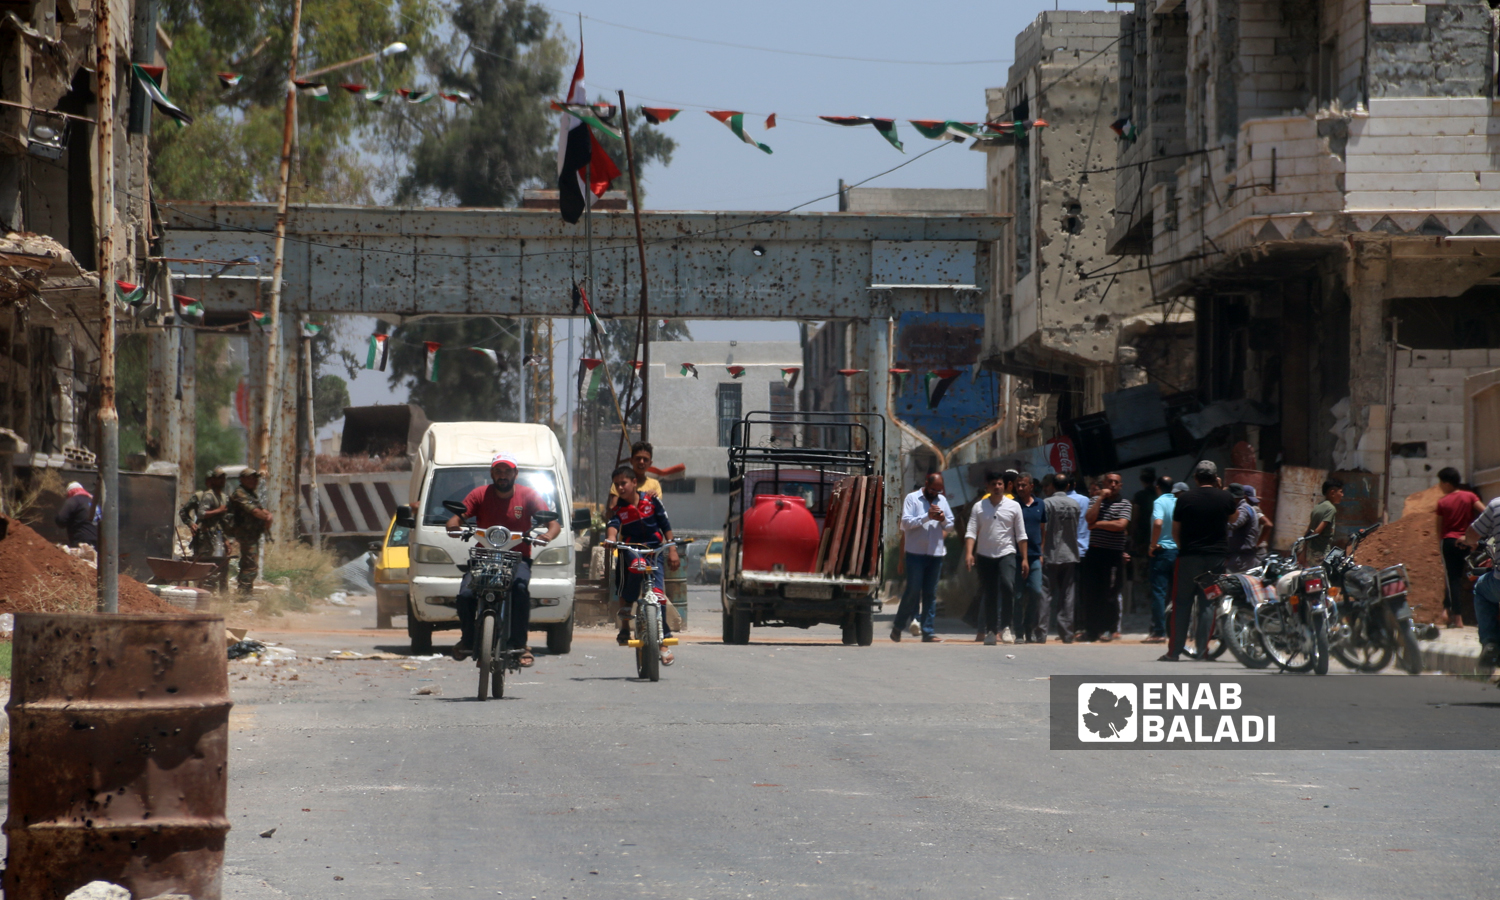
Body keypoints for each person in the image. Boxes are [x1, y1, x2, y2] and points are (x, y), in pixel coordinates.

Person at [446, 453, 561, 668]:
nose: (503, 475)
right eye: (498, 471)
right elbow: (456, 519)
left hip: (518, 559)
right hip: (484, 559)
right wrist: (454, 527)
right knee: (465, 594)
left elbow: (553, 524)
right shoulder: (480, 494)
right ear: (492, 474)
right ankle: (468, 640)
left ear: (515, 473)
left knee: (519, 590)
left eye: (507, 471)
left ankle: (520, 645)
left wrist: (547, 535)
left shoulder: (528, 495)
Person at [1160, 461, 1237, 662]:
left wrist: (1183, 547)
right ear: (1215, 478)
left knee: (1181, 603)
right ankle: (1202, 651)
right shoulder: (1226, 497)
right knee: (1208, 603)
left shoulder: (1184, 499)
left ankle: (1174, 652)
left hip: (1188, 557)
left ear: (1195, 478)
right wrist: (1220, 490)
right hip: (1216, 560)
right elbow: (1234, 518)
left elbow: (1175, 531)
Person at [605, 464, 680, 665]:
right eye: (617, 484)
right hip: (632, 549)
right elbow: (612, 527)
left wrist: (672, 549)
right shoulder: (619, 509)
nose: (620, 487)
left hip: (655, 551)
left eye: (624, 483)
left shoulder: (651, 500)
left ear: (634, 483)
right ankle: (626, 613)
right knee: (635, 566)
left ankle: (663, 643)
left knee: (658, 594)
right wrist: (611, 539)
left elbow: (665, 524)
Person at [963, 471, 1026, 646]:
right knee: (990, 593)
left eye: (1000, 484)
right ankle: (991, 631)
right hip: (984, 556)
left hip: (1007, 553)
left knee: (1007, 586)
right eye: (994, 484)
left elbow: (1021, 534)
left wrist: (1025, 558)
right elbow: (971, 531)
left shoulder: (1014, 506)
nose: (997, 487)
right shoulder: (979, 507)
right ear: (987, 487)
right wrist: (969, 553)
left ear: (1004, 486)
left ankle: (1005, 627)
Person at [894, 472, 954, 643]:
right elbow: (905, 523)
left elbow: (950, 525)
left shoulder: (942, 501)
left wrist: (942, 519)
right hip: (915, 554)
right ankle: (898, 626)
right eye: (933, 489)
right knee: (913, 591)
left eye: (939, 490)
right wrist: (927, 516)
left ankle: (928, 631)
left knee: (930, 593)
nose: (935, 493)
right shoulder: (912, 499)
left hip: (935, 554)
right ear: (926, 483)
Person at [1079, 473, 1131, 641]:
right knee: (1092, 593)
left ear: (1121, 485)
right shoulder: (1095, 501)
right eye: (1110, 482)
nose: (1113, 485)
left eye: (1117, 482)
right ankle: (1092, 630)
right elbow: (1089, 519)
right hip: (1095, 552)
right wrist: (1100, 498)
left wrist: (1099, 524)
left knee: (1110, 593)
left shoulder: (1125, 504)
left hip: (1113, 554)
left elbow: (1120, 525)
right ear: (1104, 484)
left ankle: (1109, 629)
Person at [1436, 467, 1484, 629]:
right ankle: (1455, 612)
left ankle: (1457, 618)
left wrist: (1439, 543)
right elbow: (1485, 513)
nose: (1440, 486)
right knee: (1470, 576)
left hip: (1449, 542)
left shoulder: (1443, 502)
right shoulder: (1469, 496)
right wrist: (1476, 534)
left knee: (1453, 579)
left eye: (1441, 483)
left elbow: (1439, 527)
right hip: (1467, 542)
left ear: (1447, 484)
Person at [1040, 473, 1082, 643]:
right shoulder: (1075, 504)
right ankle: (1067, 633)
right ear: (1067, 486)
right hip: (1070, 553)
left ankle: (1041, 632)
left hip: (1050, 553)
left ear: (1053, 485)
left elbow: (1043, 528)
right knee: (1067, 594)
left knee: (1045, 594)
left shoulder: (1046, 503)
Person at [1463, 496, 1500, 667]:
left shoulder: (1496, 505)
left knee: (1481, 589)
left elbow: (1472, 534)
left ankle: (1490, 642)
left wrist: (1468, 541)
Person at [179, 466, 230, 591]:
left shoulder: (223, 497)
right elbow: (185, 512)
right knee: (204, 564)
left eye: (223, 478)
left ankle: (221, 593)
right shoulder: (202, 496)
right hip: (205, 535)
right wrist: (191, 523)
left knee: (222, 564)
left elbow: (222, 521)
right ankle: (202, 590)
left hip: (217, 535)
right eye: (216, 479)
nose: (221, 481)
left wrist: (226, 538)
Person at [226, 469, 273, 600]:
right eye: (250, 478)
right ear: (242, 479)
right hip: (244, 533)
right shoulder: (240, 493)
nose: (254, 481)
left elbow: (262, 510)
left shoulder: (251, 494)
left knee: (249, 563)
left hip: (252, 533)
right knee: (250, 564)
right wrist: (267, 517)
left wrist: (267, 516)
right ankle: (244, 594)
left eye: (255, 478)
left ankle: (245, 591)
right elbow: (256, 512)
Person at [1144, 477, 1180, 643]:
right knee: (1177, 594)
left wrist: (1152, 545)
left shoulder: (1159, 501)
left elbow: (1158, 523)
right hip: (1177, 551)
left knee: (1159, 593)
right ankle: (1177, 631)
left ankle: (1159, 632)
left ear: (1157, 487)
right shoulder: (1178, 502)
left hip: (1162, 552)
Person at [1013, 472, 1046, 643]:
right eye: (1018, 485)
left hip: (1034, 557)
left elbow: (1042, 529)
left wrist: (1041, 552)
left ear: (1031, 486)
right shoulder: (1012, 505)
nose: (1020, 488)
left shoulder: (1040, 504)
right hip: (1016, 557)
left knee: (1036, 591)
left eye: (1023, 485)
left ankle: (1029, 627)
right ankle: (1018, 632)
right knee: (1018, 596)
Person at [606, 441, 662, 512]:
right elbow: (613, 509)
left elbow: (657, 510)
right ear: (631, 461)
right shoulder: (620, 482)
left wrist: (653, 497)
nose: (641, 462)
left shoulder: (654, 484)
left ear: (650, 463)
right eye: (638, 458)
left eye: (645, 460)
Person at [1303, 478, 1343, 563]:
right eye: (1340, 492)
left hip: (1310, 551)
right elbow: (1317, 531)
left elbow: (1309, 530)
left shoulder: (1318, 506)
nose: (1342, 495)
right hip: (1321, 552)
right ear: (1332, 493)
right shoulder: (1331, 509)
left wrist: (1303, 549)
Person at [1225, 484, 1262, 572]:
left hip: (1240, 558)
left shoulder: (1243, 509)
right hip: (1242, 557)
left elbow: (1234, 524)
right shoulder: (1247, 508)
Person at [54, 480, 98, 548]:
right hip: (99, 542)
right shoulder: (93, 502)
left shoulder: (74, 500)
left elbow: (61, 520)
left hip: (82, 542)